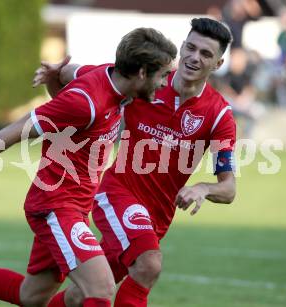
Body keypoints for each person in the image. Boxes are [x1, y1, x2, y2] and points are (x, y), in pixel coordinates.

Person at [0, 27, 176, 307]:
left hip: (76, 205)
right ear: (140, 73)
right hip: (55, 205)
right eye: (162, 75)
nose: (164, 83)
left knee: (33, 296)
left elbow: (68, 73)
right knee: (100, 287)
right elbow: (19, 128)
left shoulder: (110, 77)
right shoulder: (86, 103)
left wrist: (53, 74)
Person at [35, 18, 237, 307]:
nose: (194, 57)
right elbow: (70, 73)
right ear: (181, 47)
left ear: (217, 64)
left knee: (80, 296)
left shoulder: (219, 115)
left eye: (205, 54)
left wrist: (203, 188)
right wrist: (55, 74)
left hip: (158, 217)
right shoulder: (147, 80)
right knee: (149, 264)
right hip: (117, 194)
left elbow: (229, 189)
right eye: (190, 48)